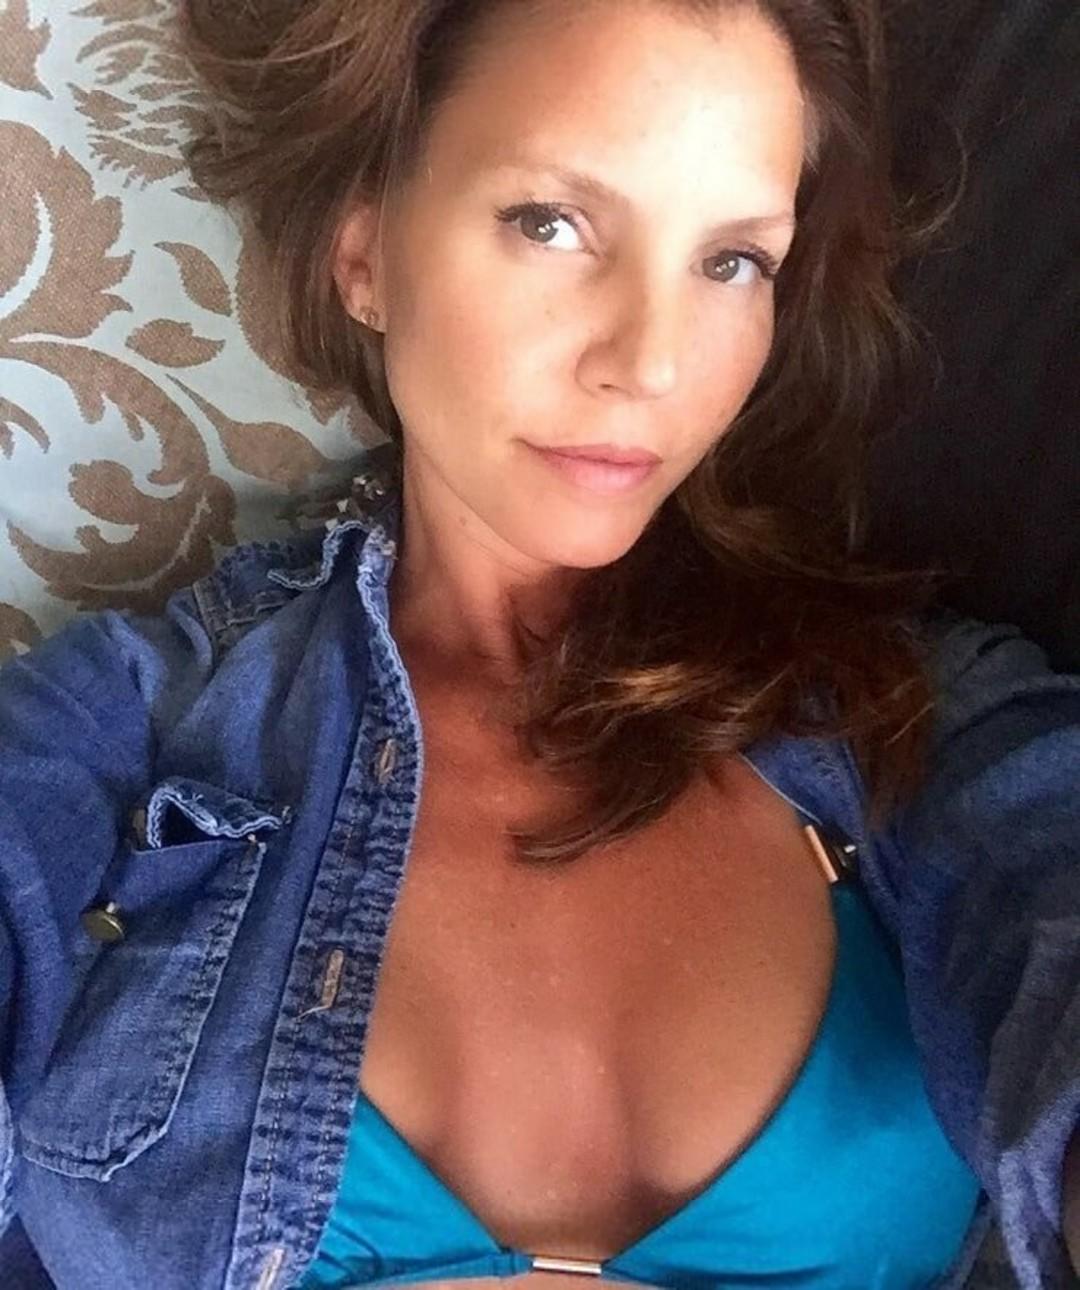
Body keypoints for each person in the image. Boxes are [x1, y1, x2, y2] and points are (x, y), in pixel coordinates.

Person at [0, 1, 1077, 1287]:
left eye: (733, 260)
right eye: (551, 223)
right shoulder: (122, 731)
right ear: (364, 251)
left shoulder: (914, 714)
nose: (652, 363)